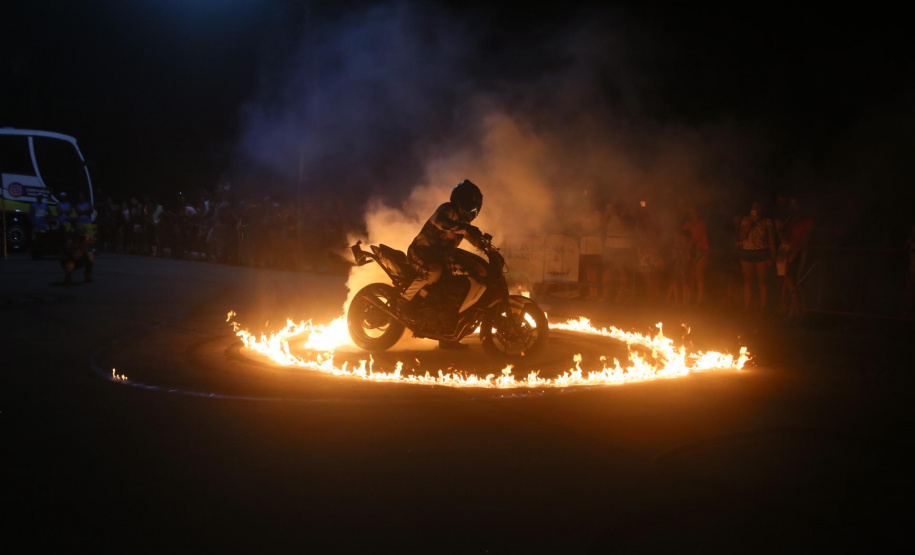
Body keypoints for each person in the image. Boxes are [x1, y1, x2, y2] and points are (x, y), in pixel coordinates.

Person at [402, 179, 487, 349]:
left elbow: (472, 239)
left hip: (438, 258)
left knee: (455, 289)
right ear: (462, 201)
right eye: (471, 206)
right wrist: (466, 229)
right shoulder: (447, 209)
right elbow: (442, 222)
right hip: (420, 252)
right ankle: (404, 302)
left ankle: (447, 336)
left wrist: (484, 245)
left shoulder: (463, 226)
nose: (473, 212)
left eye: (475, 209)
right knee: (434, 272)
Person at [738, 201, 777, 312]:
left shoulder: (766, 221)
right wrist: (750, 221)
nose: (755, 209)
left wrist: (772, 255)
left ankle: (763, 307)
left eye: (757, 207)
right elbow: (742, 236)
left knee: (762, 281)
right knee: (747, 281)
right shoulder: (746, 220)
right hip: (747, 252)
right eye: (753, 207)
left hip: (761, 253)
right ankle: (746, 307)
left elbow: (771, 239)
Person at [682, 205, 710, 306]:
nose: (692, 215)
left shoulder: (701, 224)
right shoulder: (687, 225)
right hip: (690, 252)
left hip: (700, 252)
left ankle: (700, 300)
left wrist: (689, 245)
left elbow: (697, 237)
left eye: (694, 213)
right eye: (690, 213)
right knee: (690, 276)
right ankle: (689, 299)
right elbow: (682, 236)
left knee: (699, 276)